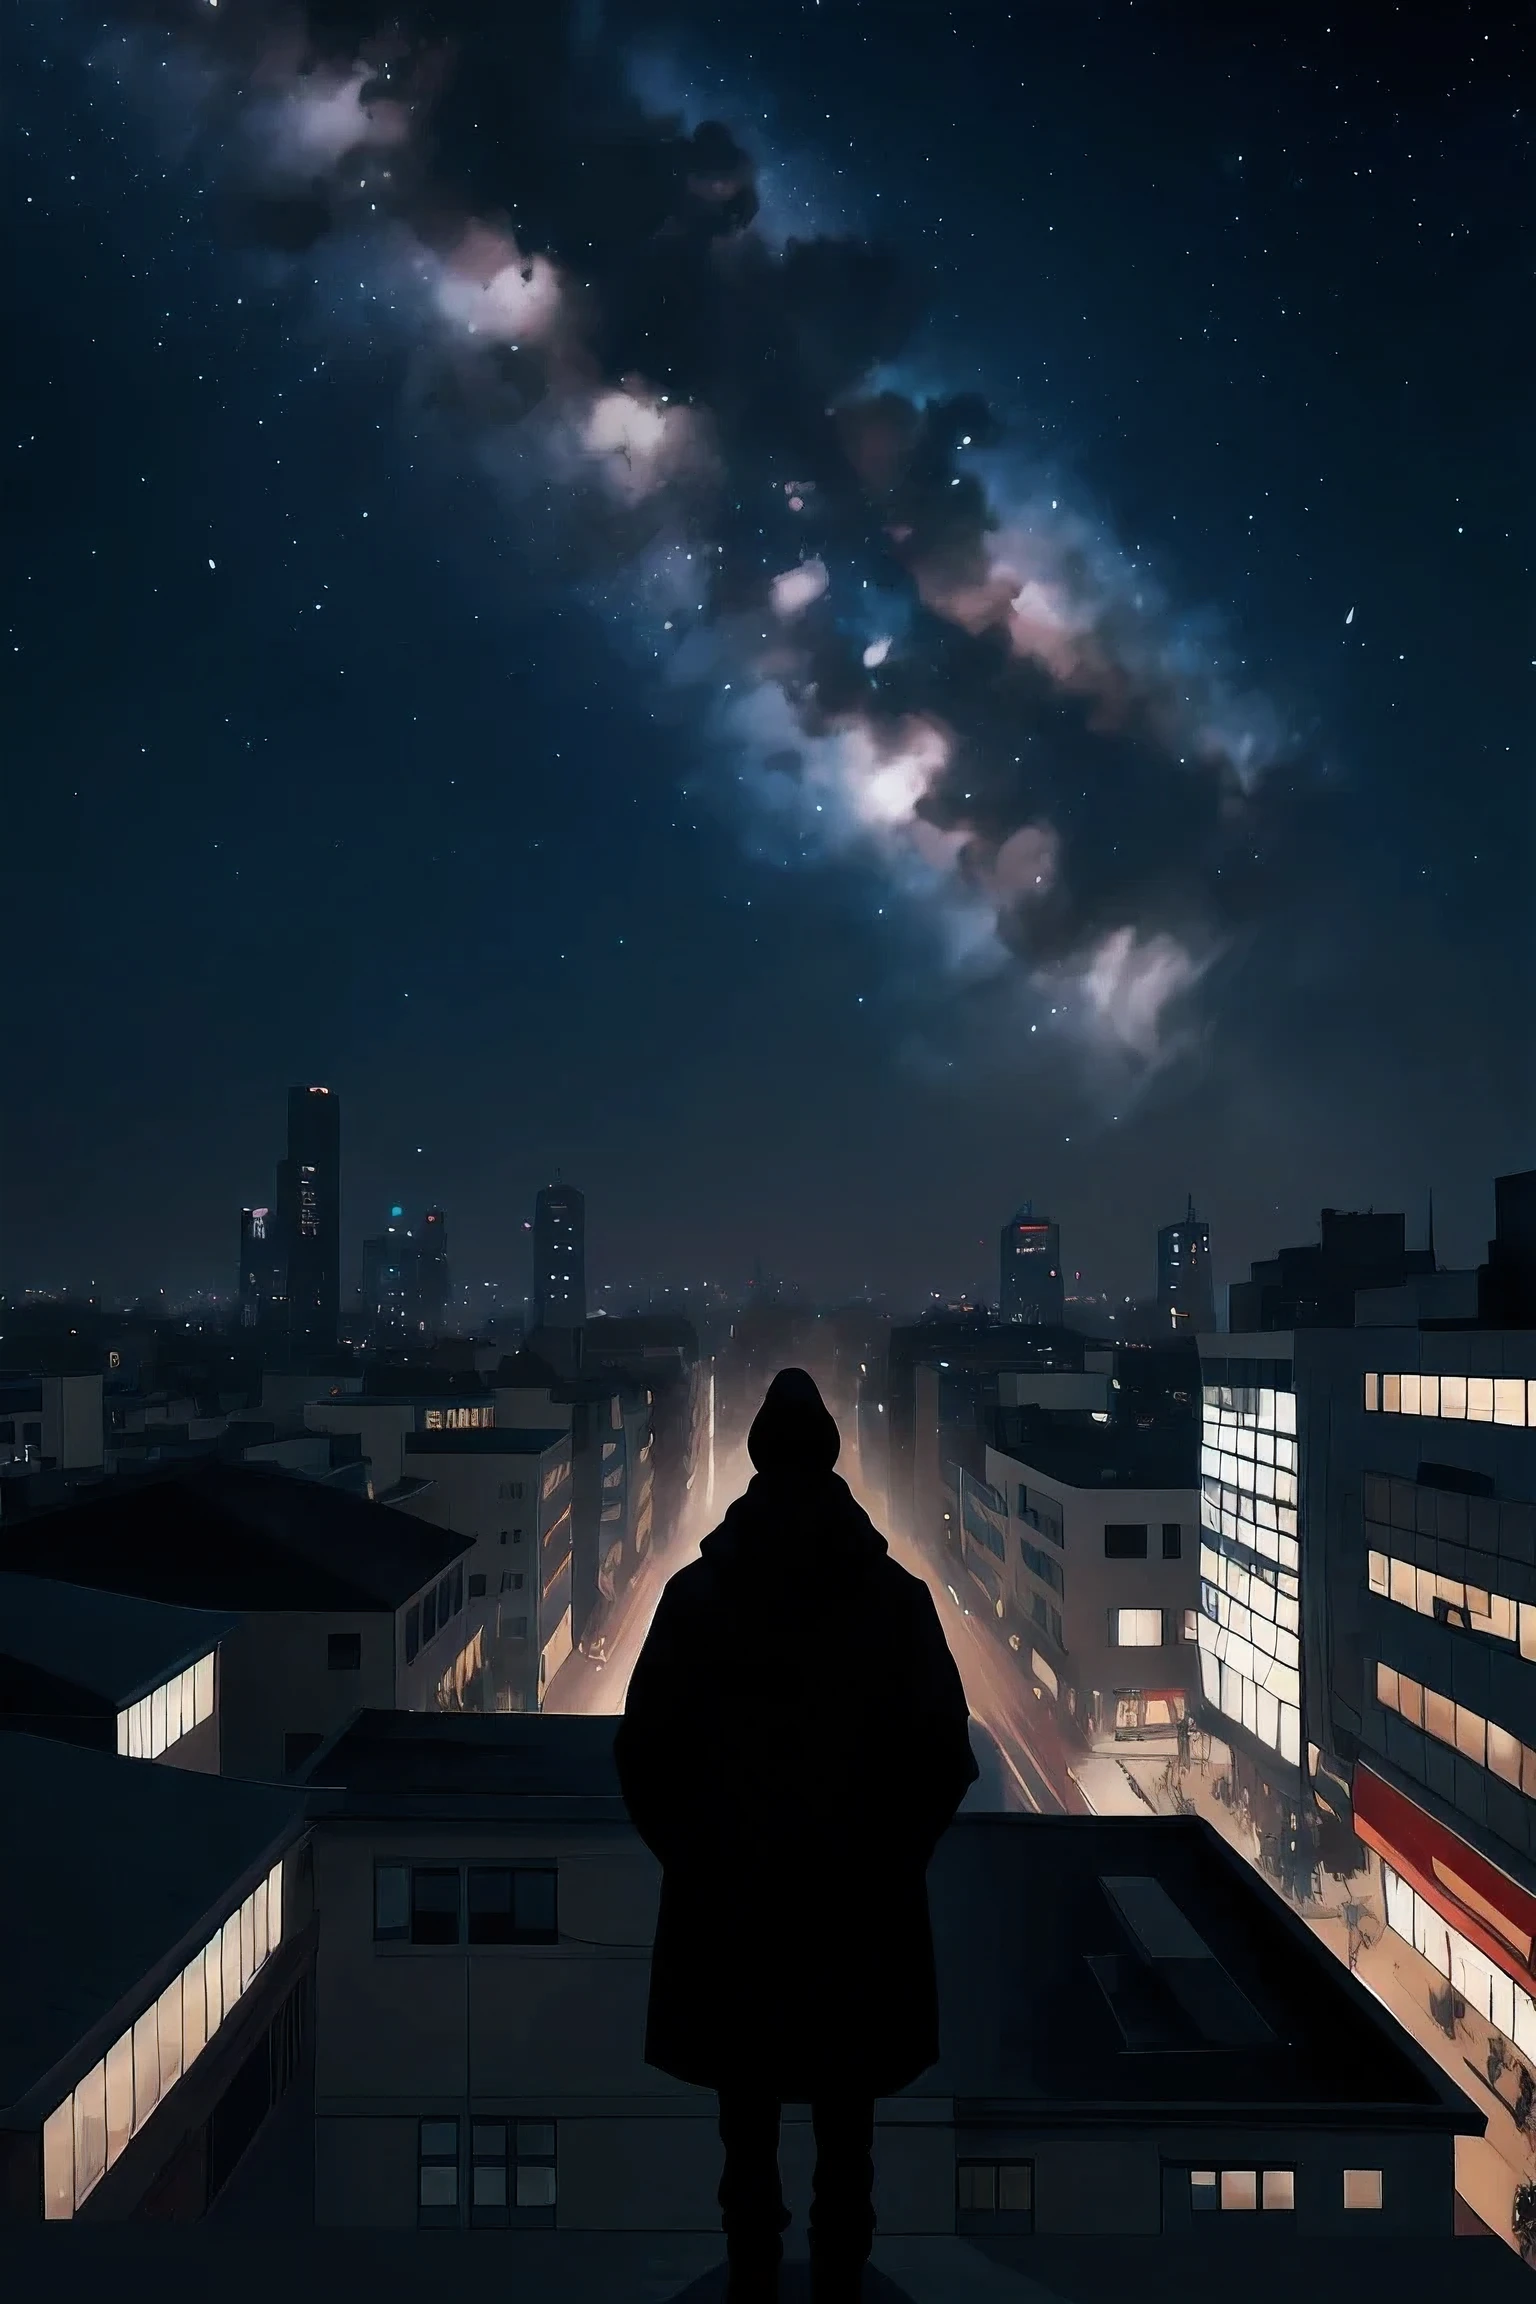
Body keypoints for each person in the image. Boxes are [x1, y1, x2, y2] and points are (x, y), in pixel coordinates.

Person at [613, 1367, 979, 2303]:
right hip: (860, 1917)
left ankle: (751, 2277)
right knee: (847, 2131)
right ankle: (843, 2281)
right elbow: (946, 1758)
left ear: (754, 1462)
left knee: (746, 2126)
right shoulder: (895, 1604)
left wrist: (700, 1859)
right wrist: (891, 1860)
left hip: (732, 1915)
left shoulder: (696, 1601)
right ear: (832, 1459)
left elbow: (643, 1756)